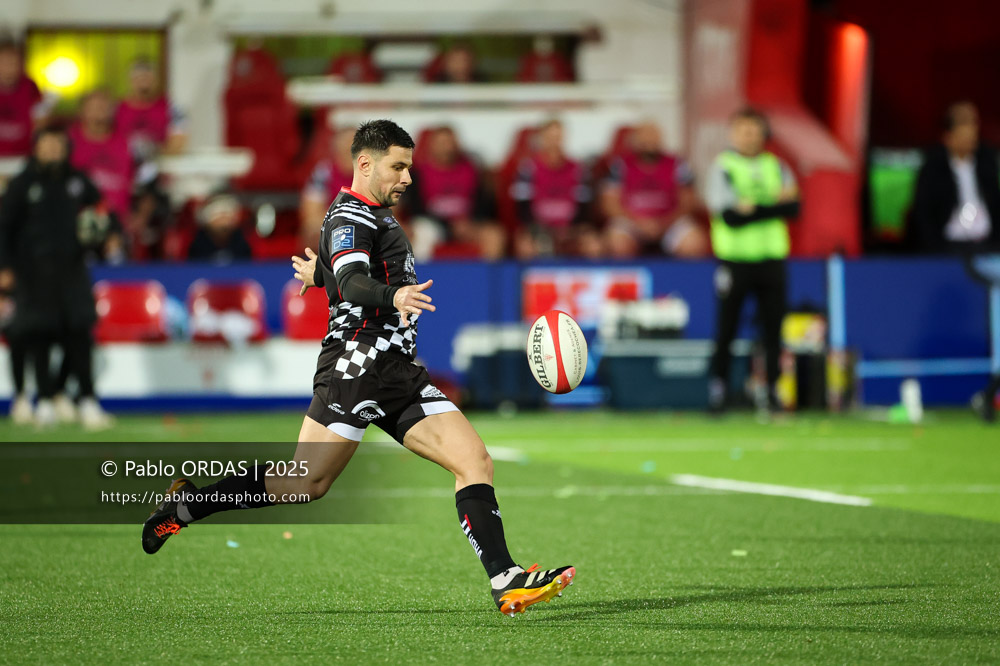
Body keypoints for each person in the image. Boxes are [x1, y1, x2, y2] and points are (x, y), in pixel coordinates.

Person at [141, 119, 576, 616]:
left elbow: (346, 274)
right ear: (365, 164)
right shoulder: (351, 217)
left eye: (409, 167)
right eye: (398, 166)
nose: (407, 178)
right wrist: (387, 292)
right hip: (357, 365)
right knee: (306, 484)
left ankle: (507, 579)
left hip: (398, 371)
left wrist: (322, 274)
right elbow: (353, 280)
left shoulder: (369, 217)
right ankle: (186, 507)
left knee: (473, 461)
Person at [0, 126, 115, 429]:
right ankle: (45, 401)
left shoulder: (77, 182)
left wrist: (107, 233)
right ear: (36, 148)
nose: (53, 150)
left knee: (79, 333)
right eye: (47, 145)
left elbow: (104, 210)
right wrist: (5, 267)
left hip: (73, 271)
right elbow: (4, 228)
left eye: (58, 145)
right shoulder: (22, 185)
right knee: (38, 336)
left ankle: (87, 399)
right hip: (33, 274)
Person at [704, 108, 800, 412]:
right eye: (744, 130)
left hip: (772, 259)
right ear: (733, 134)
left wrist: (753, 208)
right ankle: (719, 389)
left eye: (755, 130)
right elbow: (730, 216)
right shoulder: (723, 167)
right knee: (727, 328)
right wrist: (771, 204)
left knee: (773, 329)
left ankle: (772, 389)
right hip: (735, 261)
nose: (750, 136)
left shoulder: (777, 166)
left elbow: (794, 208)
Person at [601, 121, 708, 258]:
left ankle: (677, 279)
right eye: (644, 136)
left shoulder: (677, 164)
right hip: (632, 221)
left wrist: (665, 222)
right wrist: (638, 222)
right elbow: (609, 203)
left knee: (694, 243)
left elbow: (688, 200)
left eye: (653, 136)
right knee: (618, 244)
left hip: (669, 221)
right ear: (635, 140)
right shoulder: (620, 165)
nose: (649, 141)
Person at [404, 126, 505, 261]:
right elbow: (416, 210)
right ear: (431, 146)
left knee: (495, 235)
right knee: (421, 234)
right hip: (433, 225)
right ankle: (420, 279)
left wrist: (471, 223)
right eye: (442, 143)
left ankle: (486, 280)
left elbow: (485, 204)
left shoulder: (472, 169)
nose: (447, 148)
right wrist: (448, 225)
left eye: (449, 143)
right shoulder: (418, 174)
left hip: (468, 224)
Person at [912, 101, 1000, 253]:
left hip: (987, 245)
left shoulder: (987, 161)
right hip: (948, 247)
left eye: (973, 124)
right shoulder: (933, 166)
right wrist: (934, 247)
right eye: (964, 126)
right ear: (948, 137)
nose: (971, 132)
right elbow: (923, 212)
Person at [511, 119, 600, 258]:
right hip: (538, 227)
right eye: (550, 138)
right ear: (541, 139)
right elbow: (522, 207)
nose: (554, 142)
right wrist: (542, 229)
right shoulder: (528, 168)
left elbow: (585, 206)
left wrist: (569, 229)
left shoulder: (578, 169)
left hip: (572, 227)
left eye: (558, 137)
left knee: (593, 244)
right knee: (527, 245)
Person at [69, 90, 132, 260]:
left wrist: (139, 215)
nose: (99, 110)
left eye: (104, 106)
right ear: (81, 111)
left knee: (117, 250)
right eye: (94, 106)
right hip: (76, 222)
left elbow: (145, 180)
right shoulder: (68, 143)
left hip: (119, 223)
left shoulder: (127, 142)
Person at [115, 57, 187, 162]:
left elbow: (177, 145)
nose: (144, 82)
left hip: (160, 168)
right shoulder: (115, 109)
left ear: (156, 80)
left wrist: (153, 152)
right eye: (139, 78)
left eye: (148, 77)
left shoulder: (174, 109)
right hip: (122, 169)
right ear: (130, 81)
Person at [300, 127, 356, 252]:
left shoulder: (374, 176)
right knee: (312, 231)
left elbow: (387, 212)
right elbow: (311, 214)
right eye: (346, 150)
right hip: (334, 226)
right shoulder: (323, 172)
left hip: (366, 226)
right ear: (336, 151)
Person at [0, 37, 53, 157]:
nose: (9, 67)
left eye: (14, 62)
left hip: (24, 156)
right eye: (4, 62)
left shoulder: (29, 86)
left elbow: (41, 119)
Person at [186, 191, 253, 263]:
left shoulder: (243, 243)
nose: (223, 221)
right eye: (218, 216)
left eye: (227, 216)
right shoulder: (197, 245)